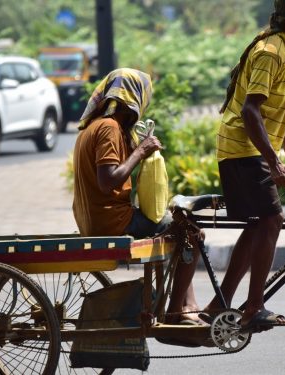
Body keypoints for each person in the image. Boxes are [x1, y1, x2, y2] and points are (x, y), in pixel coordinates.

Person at [202, 0, 285, 333]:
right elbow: (250, 112)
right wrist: (275, 162)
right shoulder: (270, 51)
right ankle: (253, 307)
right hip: (242, 147)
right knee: (272, 219)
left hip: (253, 148)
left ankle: (218, 305)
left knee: (258, 224)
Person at [71, 68, 202, 326]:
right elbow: (108, 181)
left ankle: (184, 304)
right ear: (136, 97)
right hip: (114, 221)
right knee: (193, 233)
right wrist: (141, 150)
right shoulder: (108, 127)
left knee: (180, 226)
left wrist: (139, 149)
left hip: (98, 220)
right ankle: (179, 309)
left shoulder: (96, 127)